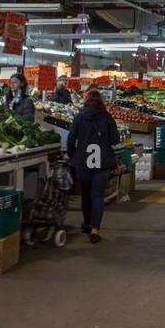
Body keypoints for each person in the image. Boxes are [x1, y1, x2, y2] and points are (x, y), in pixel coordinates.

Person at [66, 90, 120, 243]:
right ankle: (95, 230)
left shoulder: (80, 116)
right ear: (101, 102)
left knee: (86, 193)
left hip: (83, 160)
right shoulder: (107, 117)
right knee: (97, 195)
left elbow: (71, 138)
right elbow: (115, 139)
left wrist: (71, 154)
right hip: (102, 162)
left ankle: (87, 223)